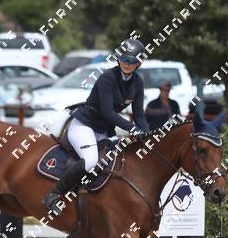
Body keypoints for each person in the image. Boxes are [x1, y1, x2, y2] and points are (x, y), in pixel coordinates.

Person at [42, 38, 150, 215]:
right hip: (84, 125)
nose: (126, 63)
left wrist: (147, 134)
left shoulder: (138, 83)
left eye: (131, 61)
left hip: (104, 130)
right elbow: (108, 112)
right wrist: (132, 129)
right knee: (91, 161)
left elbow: (139, 115)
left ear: (139, 63)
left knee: (121, 161)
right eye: (123, 59)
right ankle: (54, 194)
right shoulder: (108, 77)